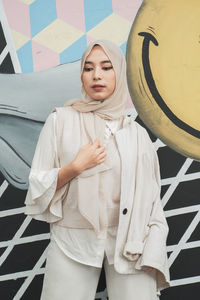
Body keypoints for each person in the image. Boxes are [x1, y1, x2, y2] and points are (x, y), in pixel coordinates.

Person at [25, 40, 170, 300]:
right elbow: (37, 184)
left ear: (119, 73)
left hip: (131, 242)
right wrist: (75, 167)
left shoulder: (136, 134)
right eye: (88, 68)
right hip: (73, 239)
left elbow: (152, 202)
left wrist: (155, 249)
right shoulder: (60, 120)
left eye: (106, 67)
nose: (97, 76)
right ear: (81, 76)